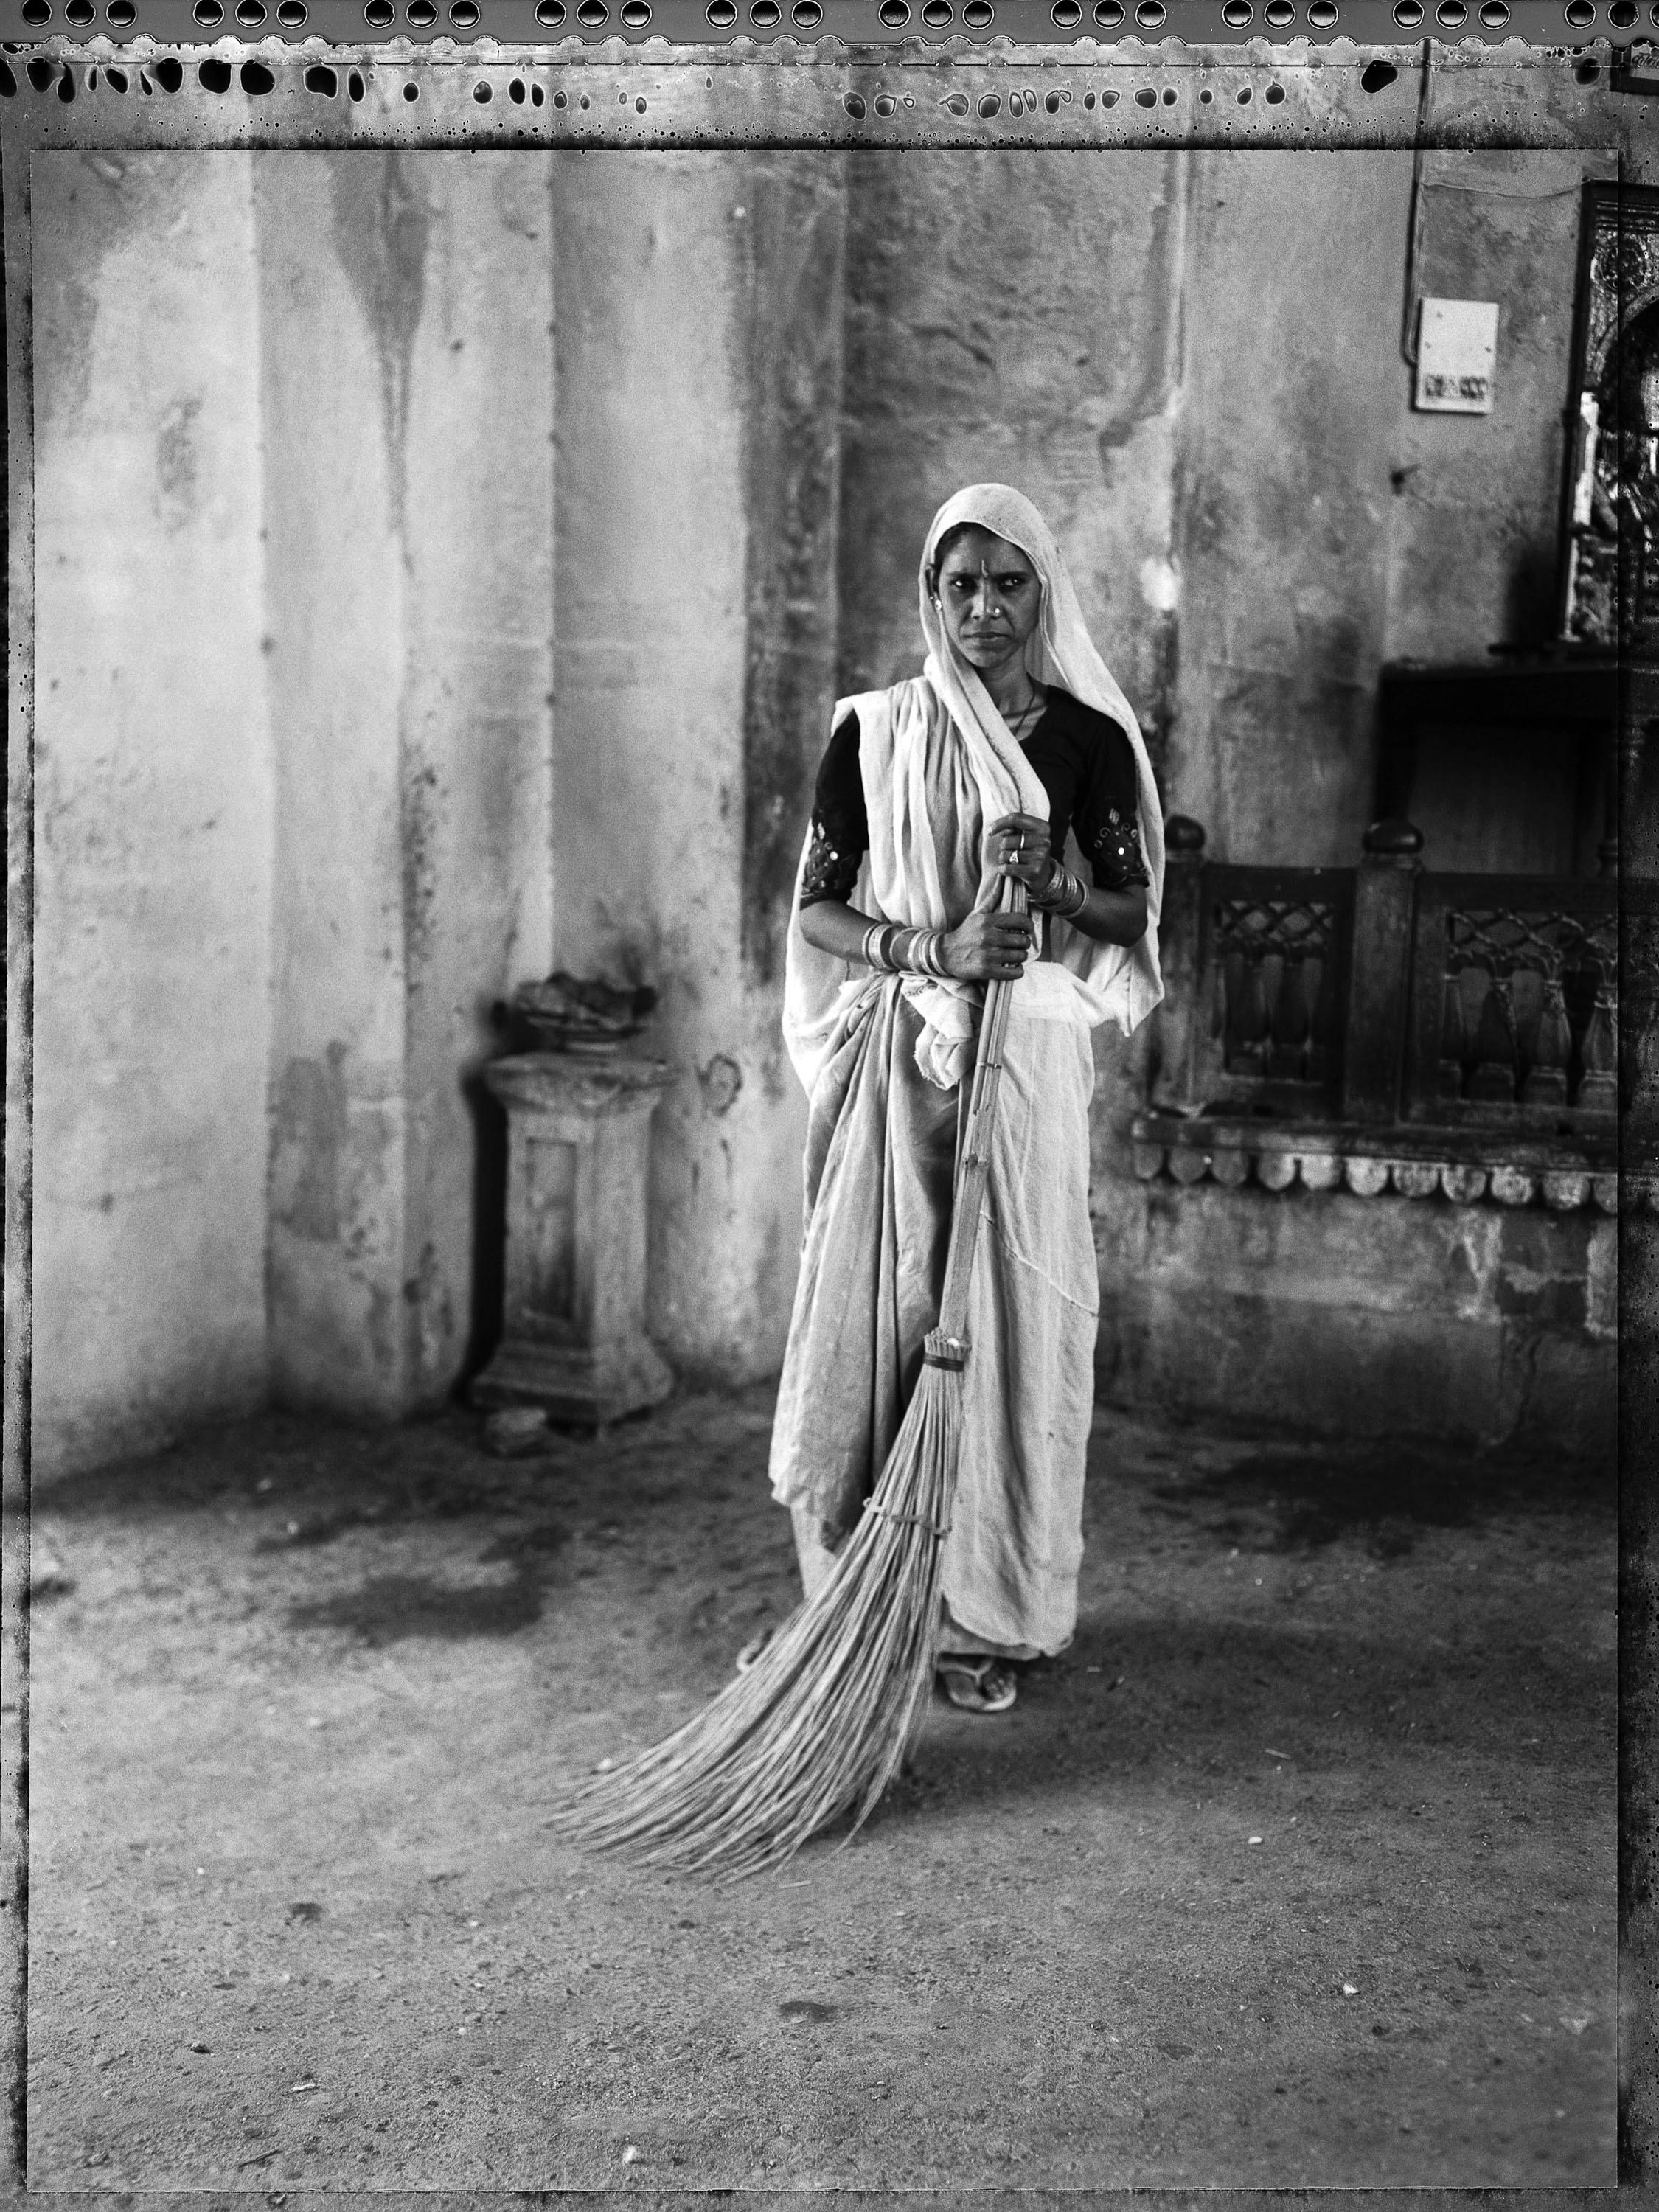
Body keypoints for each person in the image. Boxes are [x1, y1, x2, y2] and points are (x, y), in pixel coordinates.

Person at [762, 484, 1165, 1714]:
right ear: (930, 598)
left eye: (1008, 584)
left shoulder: (1088, 736)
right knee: (884, 1316)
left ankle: (986, 1616)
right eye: (960, 586)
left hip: (1027, 1065)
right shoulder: (878, 730)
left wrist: (1053, 885)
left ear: (1043, 591)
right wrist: (927, 954)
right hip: (906, 1059)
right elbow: (816, 911)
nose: (983, 610)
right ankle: (858, 1608)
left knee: (1008, 1328)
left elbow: (1129, 914)